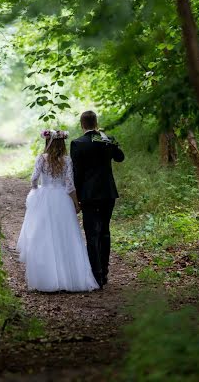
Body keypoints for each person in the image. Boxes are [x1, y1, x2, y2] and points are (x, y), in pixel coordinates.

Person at [17, 129, 98, 292]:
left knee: (45, 237)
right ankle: (69, 279)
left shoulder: (41, 158)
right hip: (62, 199)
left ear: (48, 142)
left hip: (45, 197)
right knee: (65, 236)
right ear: (63, 143)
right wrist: (76, 203)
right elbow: (69, 185)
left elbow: (33, 179)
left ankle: (48, 279)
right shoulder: (67, 160)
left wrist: (37, 190)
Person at [70, 111, 124, 289]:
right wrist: (110, 141)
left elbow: (77, 174)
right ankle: (105, 273)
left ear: (82, 124)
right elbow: (120, 157)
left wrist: (76, 196)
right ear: (96, 122)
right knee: (105, 232)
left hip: (89, 194)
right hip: (108, 193)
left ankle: (97, 275)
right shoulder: (106, 140)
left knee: (92, 234)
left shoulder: (77, 144)